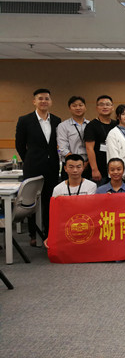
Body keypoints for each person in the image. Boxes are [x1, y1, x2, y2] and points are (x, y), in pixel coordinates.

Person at [15, 88, 62, 245]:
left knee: (49, 200)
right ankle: (33, 234)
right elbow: (20, 144)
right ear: (34, 101)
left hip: (52, 166)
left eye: (47, 98)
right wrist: (29, 159)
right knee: (32, 201)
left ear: (51, 102)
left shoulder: (56, 120)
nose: (44, 101)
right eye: (40, 98)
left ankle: (49, 233)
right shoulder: (25, 120)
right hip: (33, 166)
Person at [83, 95, 117, 185]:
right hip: (99, 169)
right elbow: (89, 148)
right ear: (97, 108)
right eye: (101, 104)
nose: (105, 107)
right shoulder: (91, 126)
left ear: (112, 107)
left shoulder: (116, 124)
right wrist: (94, 169)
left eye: (108, 104)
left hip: (115, 169)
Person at [56, 95, 89, 180]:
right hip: (70, 166)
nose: (78, 108)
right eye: (74, 106)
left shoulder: (90, 125)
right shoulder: (63, 126)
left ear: (85, 107)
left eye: (80, 105)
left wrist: (87, 162)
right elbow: (62, 148)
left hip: (88, 165)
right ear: (69, 109)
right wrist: (77, 163)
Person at [106, 104, 125, 182]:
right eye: (123, 114)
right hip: (117, 173)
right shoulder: (112, 133)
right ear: (118, 116)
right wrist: (124, 174)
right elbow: (113, 154)